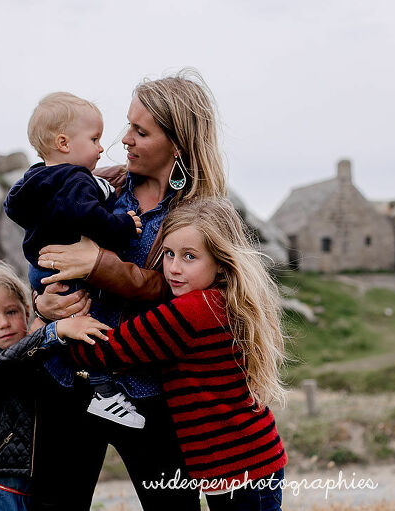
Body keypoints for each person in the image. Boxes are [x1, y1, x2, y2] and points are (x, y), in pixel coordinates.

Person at [30, 68, 227, 510]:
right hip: (71, 381)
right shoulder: (99, 186)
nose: (124, 139)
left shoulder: (201, 213)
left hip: (152, 393)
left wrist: (99, 264)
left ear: (177, 145)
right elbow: (47, 256)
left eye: (140, 131)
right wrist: (44, 303)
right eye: (128, 125)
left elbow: (194, 300)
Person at [68, 198, 288, 510]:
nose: (173, 268)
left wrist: (59, 328)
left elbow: (105, 351)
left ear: (219, 261)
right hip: (251, 458)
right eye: (169, 253)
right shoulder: (223, 300)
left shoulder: (192, 311)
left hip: (239, 468)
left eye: (189, 257)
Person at [3, 92, 145, 429]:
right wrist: (123, 225)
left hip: (42, 270)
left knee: (69, 323)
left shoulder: (35, 179)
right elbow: (88, 216)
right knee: (91, 324)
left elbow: (16, 209)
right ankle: (103, 390)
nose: (101, 147)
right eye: (94, 139)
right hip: (69, 271)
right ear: (64, 143)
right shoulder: (75, 180)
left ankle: (62, 370)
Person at [0, 260, 105, 511]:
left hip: (43, 485)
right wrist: (53, 332)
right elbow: (5, 364)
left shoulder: (38, 352)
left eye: (11, 312)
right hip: (1, 484)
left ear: (27, 312)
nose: (3, 323)